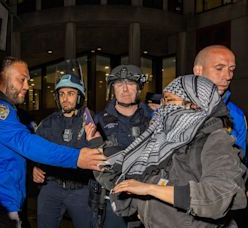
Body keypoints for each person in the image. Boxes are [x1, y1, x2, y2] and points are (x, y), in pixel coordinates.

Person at [0, 56, 106, 227]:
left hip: (18, 202)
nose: (27, 86)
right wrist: (76, 157)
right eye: (22, 79)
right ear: (3, 76)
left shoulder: (88, 119)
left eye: (71, 93)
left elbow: (14, 151)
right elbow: (26, 143)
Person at [95, 75, 247, 227]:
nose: (162, 108)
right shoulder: (164, 140)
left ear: (194, 105)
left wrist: (150, 189)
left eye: (168, 100)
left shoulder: (216, 141)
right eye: (163, 101)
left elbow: (217, 197)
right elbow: (130, 172)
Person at [90, 65, 152, 228]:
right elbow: (91, 161)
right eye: (119, 84)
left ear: (139, 88)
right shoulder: (98, 121)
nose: (125, 89)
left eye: (131, 84)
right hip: (112, 201)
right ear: (112, 89)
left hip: (149, 200)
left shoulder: (155, 119)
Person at [32, 73, 93, 228]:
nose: (65, 98)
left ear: (79, 97)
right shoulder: (47, 123)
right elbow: (33, 149)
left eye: (70, 94)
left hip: (80, 189)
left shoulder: (91, 121)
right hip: (51, 188)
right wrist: (34, 167)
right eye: (62, 94)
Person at [193, 45, 247, 163]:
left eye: (231, 69)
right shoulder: (173, 106)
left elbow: (240, 163)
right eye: (219, 68)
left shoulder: (236, 115)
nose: (228, 76)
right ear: (198, 71)